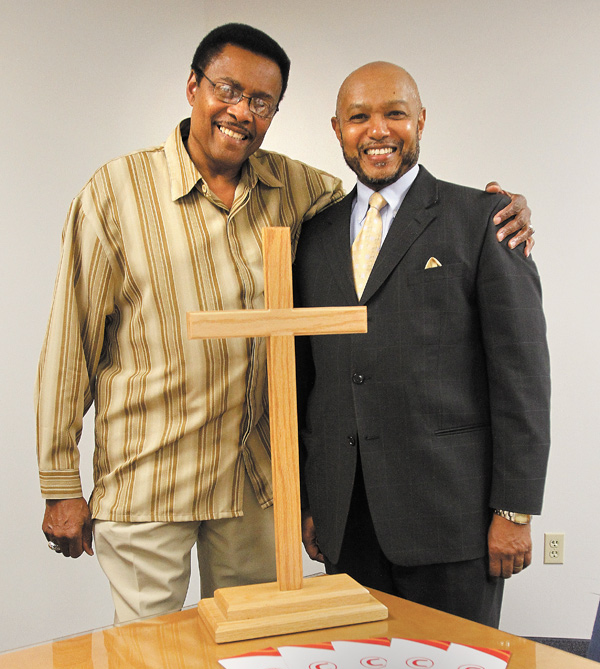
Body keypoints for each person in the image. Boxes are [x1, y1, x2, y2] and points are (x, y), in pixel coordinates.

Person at [36, 24, 535, 623]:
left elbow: (386, 199)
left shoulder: (299, 193)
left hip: (256, 486)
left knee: (258, 658)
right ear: (194, 86)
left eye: (261, 102)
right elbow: (71, 345)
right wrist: (59, 482)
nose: (241, 111)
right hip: (149, 474)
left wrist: (498, 213)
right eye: (228, 90)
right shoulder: (114, 194)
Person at [295, 62, 550, 628]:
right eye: (359, 117)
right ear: (337, 128)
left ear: (422, 121)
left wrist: (516, 510)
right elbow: (308, 378)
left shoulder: (485, 220)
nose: (378, 130)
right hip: (346, 521)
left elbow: (522, 376)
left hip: (451, 520)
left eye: (395, 114)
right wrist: (312, 502)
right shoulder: (313, 237)